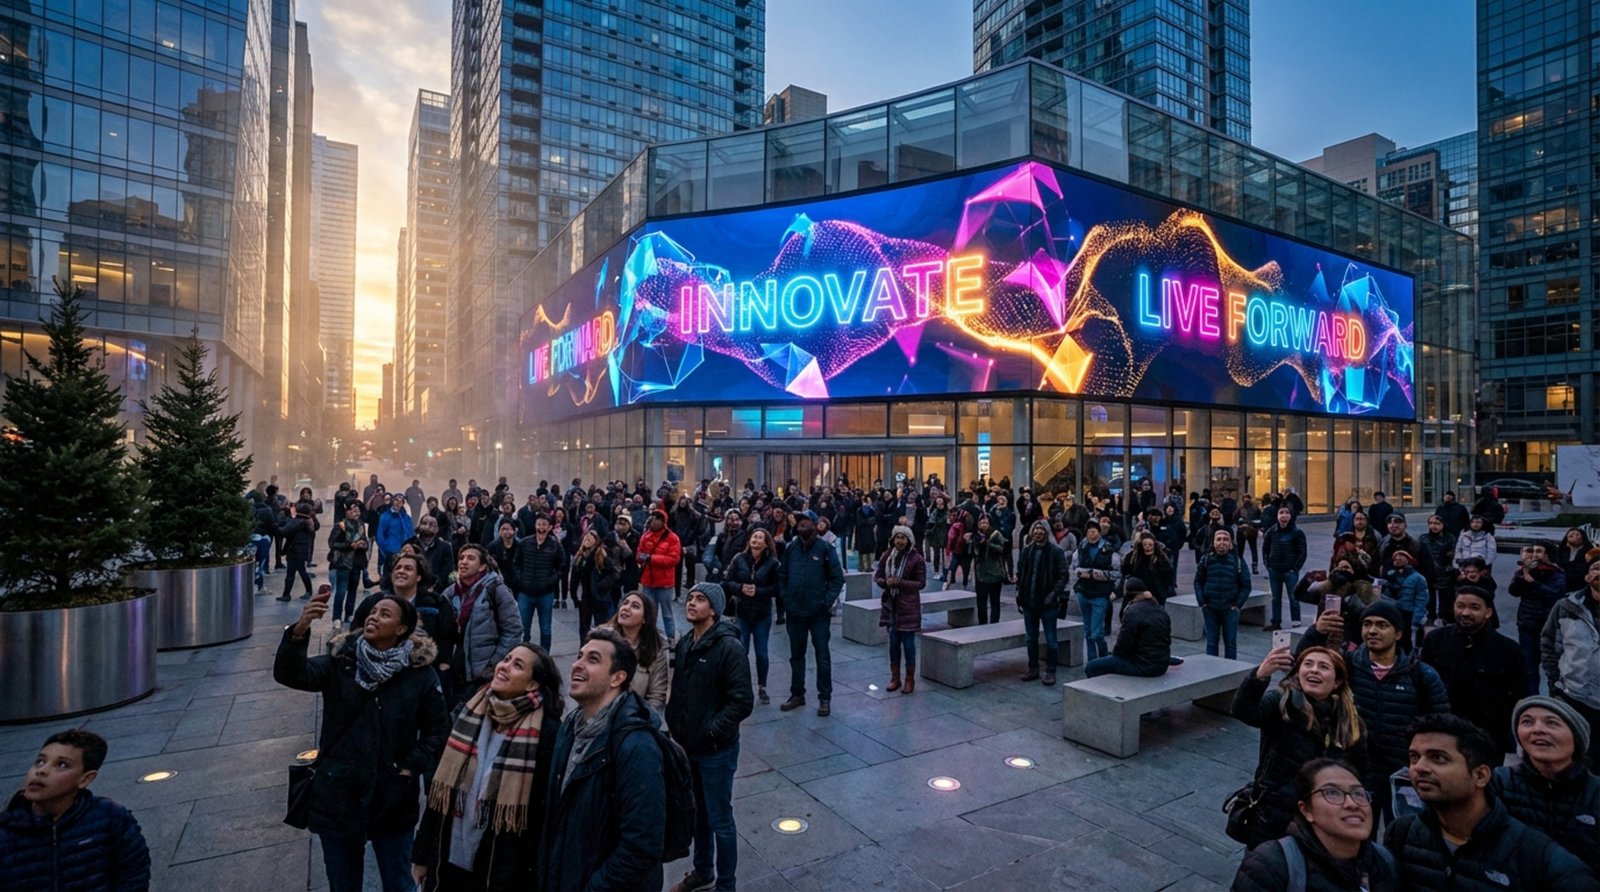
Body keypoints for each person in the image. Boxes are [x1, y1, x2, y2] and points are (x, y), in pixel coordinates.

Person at [274, 592, 449, 892]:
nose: (373, 617)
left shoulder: (419, 673)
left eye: (384, 614)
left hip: (392, 794)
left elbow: (438, 729)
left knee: (398, 881)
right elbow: (292, 674)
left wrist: (410, 765)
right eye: (372, 611)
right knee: (343, 883)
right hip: (339, 790)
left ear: (401, 629)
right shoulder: (341, 661)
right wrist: (299, 630)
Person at [411, 644, 562, 892]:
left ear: (532, 685)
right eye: (506, 659)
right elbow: (440, 790)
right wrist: (421, 854)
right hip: (447, 858)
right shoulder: (470, 710)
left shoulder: (547, 733)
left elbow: (542, 815)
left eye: (517, 665)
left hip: (500, 868)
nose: (504, 666)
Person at [1384, 713, 1595, 890]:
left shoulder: (1538, 856)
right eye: (1414, 757)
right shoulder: (1402, 835)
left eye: (1438, 758)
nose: (1419, 767)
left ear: (1481, 776)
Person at [538, 629, 665, 892]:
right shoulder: (570, 726)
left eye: (592, 659)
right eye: (579, 656)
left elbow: (641, 846)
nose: (577, 665)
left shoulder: (636, 746)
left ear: (617, 678)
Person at [1300, 599, 1449, 821]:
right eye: (1367, 624)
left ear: (1398, 634)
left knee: (1402, 835)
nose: (1372, 631)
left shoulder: (1421, 675)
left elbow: (1441, 725)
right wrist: (1316, 632)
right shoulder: (1349, 666)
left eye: (1382, 625)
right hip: (1357, 773)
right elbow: (1305, 669)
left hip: (1402, 775)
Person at [1230, 645, 1368, 848]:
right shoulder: (1282, 701)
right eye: (1308, 664)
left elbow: (1360, 770)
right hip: (1274, 813)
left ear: (1337, 681)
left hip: (1324, 815)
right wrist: (1258, 677)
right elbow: (1243, 711)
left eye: (1323, 667)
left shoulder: (1350, 720)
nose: (1314, 670)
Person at [667, 583, 754, 892]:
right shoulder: (687, 642)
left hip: (716, 749)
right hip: (688, 746)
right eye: (690, 598)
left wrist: (712, 729)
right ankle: (702, 871)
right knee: (699, 815)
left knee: (720, 818)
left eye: (700, 600)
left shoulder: (729, 648)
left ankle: (726, 885)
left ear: (714, 610)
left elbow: (742, 701)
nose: (691, 603)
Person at [0, 729, 151, 891]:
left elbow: (134, 878)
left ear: (85, 779)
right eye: (40, 761)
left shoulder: (111, 819)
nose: (41, 771)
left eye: (61, 765)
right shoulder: (6, 830)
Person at [1230, 758, 1399, 892]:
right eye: (1332, 793)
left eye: (1358, 793)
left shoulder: (1385, 862)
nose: (1351, 803)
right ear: (1306, 810)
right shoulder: (1272, 866)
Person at [1490, 696, 1600, 874]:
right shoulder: (1499, 782)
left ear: (1576, 737)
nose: (1538, 729)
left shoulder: (1595, 792)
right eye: (1527, 722)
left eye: (1552, 723)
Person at [1418, 585, 1524, 755]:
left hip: (1487, 737)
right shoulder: (1435, 640)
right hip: (1442, 731)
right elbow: (1421, 685)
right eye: (1460, 606)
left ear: (1488, 612)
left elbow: (1517, 695)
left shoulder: (1508, 650)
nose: (1465, 613)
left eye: (1474, 607)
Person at [442, 544, 523, 710]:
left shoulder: (496, 590)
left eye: (470, 558)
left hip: (483, 673)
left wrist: (494, 664)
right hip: (456, 671)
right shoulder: (450, 593)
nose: (464, 562)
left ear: (483, 566)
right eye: (461, 558)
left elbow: (513, 629)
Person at [779, 512, 844, 716]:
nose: (802, 527)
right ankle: (797, 693)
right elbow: (782, 575)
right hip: (795, 612)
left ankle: (824, 697)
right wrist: (786, 598)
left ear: (815, 525)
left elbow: (837, 579)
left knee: (822, 655)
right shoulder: (791, 549)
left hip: (818, 614)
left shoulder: (826, 549)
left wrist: (825, 602)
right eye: (799, 524)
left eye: (806, 523)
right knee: (796, 656)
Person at [1540, 557, 1600, 766]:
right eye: (1596, 568)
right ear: (1587, 575)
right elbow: (1549, 644)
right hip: (1575, 697)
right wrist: (1555, 683)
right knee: (1575, 760)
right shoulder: (1566, 607)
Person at [723, 528, 780, 705]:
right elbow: (727, 582)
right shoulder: (739, 559)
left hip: (762, 613)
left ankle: (762, 686)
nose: (756, 540)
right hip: (743, 612)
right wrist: (740, 588)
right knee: (742, 651)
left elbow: (777, 589)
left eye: (760, 538)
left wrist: (759, 591)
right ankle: (740, 685)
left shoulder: (772, 563)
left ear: (766, 543)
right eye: (754, 537)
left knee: (762, 653)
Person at [1017, 519, 1070, 685]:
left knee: (1051, 639)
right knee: (1030, 638)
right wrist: (1020, 593)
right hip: (1029, 602)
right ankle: (1033, 668)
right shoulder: (1027, 551)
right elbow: (1021, 572)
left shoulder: (1056, 552)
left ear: (1046, 532)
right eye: (1035, 529)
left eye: (1041, 529)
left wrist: (1054, 594)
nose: (1038, 532)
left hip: (1048, 603)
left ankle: (1050, 671)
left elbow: (1063, 575)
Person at [598, 592, 670, 715]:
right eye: (625, 603)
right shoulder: (600, 639)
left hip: (633, 720)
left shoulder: (654, 650)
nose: (626, 608)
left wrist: (638, 721)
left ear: (645, 618)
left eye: (635, 606)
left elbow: (656, 696)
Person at [876, 525, 927, 694]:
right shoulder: (887, 555)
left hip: (908, 606)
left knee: (909, 644)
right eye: (897, 537)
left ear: (909, 540)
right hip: (891, 605)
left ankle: (909, 679)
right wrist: (885, 582)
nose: (900, 541)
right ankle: (895, 677)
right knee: (893, 643)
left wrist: (899, 582)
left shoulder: (916, 559)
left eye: (903, 538)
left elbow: (920, 583)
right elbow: (878, 576)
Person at [1085, 579, 1171, 678]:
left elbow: (1123, 646)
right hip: (1161, 664)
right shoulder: (1160, 609)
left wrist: (1115, 655)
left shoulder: (1132, 612)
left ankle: (1096, 690)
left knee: (1092, 666)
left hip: (1144, 666)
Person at [1512, 542, 1566, 696]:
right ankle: (1532, 698)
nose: (1535, 555)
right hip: (1527, 624)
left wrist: (1532, 583)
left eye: (1539, 551)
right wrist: (1520, 575)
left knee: (1553, 667)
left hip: (1548, 626)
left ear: (1548, 554)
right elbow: (1513, 591)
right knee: (1529, 666)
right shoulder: (1527, 571)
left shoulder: (1557, 573)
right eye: (1533, 551)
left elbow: (1555, 594)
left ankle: (1554, 699)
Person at [512, 514, 568, 651]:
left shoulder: (555, 545)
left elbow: (562, 565)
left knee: (546, 629)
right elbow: (516, 563)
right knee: (522, 627)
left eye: (544, 525)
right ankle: (523, 653)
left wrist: (551, 580)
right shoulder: (525, 543)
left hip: (545, 593)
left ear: (549, 527)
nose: (541, 527)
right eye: (539, 524)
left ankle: (545, 656)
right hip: (525, 592)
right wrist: (521, 579)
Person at [1195, 528, 1252, 660]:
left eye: (1225, 539)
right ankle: (1212, 671)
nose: (1222, 542)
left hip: (1230, 609)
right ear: (1213, 542)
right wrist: (1201, 601)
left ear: (1231, 543)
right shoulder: (1206, 560)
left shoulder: (1238, 561)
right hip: (1210, 608)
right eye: (1218, 539)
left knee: (1230, 644)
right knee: (1211, 643)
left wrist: (1237, 604)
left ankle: (1230, 670)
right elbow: (1198, 581)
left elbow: (1246, 585)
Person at [1073, 522, 1118, 660]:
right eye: (1089, 532)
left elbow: (1117, 572)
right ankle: (1092, 658)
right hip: (1083, 591)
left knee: (1097, 632)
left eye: (1094, 531)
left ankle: (1103, 657)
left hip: (1100, 593)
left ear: (1099, 532)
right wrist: (1080, 574)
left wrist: (1097, 574)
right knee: (1087, 630)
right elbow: (1074, 567)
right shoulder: (1081, 548)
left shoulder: (1108, 549)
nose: (1091, 534)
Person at [636, 508, 683, 642]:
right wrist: (645, 558)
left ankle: (670, 637)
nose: (654, 521)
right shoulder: (645, 536)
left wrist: (651, 558)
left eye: (657, 518)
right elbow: (639, 555)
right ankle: (649, 637)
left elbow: (673, 559)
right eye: (652, 518)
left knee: (667, 612)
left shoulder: (672, 538)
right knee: (649, 612)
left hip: (664, 582)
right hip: (648, 580)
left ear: (663, 521)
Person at [1261, 506, 1307, 632]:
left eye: (1287, 513)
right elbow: (1265, 549)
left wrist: (1295, 568)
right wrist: (1268, 565)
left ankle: (1296, 622)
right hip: (1275, 570)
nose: (1284, 515)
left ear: (1291, 516)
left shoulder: (1297, 533)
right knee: (1275, 597)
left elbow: (1302, 552)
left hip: (1290, 571)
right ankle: (1276, 622)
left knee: (1293, 597)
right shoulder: (1272, 532)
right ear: (1277, 516)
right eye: (1281, 513)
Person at [570, 529, 620, 642]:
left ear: (596, 541)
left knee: (600, 628)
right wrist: (574, 595)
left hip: (599, 598)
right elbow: (575, 577)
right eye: (586, 537)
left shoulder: (600, 554)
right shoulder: (580, 556)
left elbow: (615, 572)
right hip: (585, 598)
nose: (587, 538)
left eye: (591, 537)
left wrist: (603, 585)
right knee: (584, 628)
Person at [327, 500, 370, 628]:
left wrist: (364, 545)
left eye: (358, 511)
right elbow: (332, 544)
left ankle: (349, 614)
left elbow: (365, 540)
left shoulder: (361, 524)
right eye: (354, 511)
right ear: (347, 512)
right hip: (344, 563)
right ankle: (336, 617)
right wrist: (349, 545)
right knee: (341, 591)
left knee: (353, 590)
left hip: (357, 562)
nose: (357, 513)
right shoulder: (340, 525)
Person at [1383, 550, 1430, 650]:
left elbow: (1422, 600)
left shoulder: (1418, 578)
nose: (1398, 560)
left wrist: (1417, 619)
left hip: (1410, 614)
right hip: (1394, 614)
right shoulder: (1390, 577)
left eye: (1401, 557)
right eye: (1395, 558)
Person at [277, 500, 320, 602]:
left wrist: (275, 525)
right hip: (302, 550)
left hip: (295, 550)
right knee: (300, 571)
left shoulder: (298, 521)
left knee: (292, 574)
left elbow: (284, 531)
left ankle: (288, 594)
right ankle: (303, 592)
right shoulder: (307, 521)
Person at [970, 514, 1010, 624]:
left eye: (986, 523)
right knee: (981, 601)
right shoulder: (976, 536)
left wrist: (988, 543)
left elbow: (1002, 549)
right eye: (981, 523)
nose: (983, 525)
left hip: (995, 573)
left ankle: (994, 623)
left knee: (994, 601)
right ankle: (982, 623)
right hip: (980, 574)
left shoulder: (995, 534)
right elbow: (971, 552)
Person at [377, 493, 415, 580]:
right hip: (390, 553)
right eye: (397, 500)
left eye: (401, 501)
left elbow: (411, 534)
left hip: (404, 553)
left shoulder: (406, 518)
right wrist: (387, 550)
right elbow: (380, 536)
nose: (398, 503)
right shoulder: (385, 516)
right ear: (393, 501)